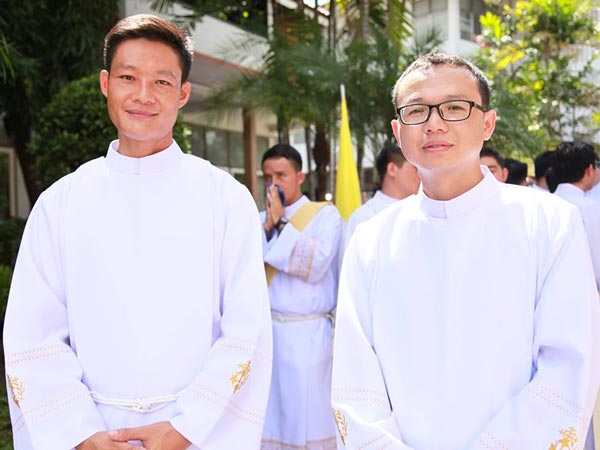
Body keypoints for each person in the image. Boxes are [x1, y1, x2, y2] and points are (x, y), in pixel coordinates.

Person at [3, 14, 272, 450]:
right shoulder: (62, 201)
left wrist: (184, 428)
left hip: (195, 434)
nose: (143, 95)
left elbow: (247, 329)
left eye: (162, 82)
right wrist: (82, 433)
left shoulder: (225, 199)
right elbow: (33, 333)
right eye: (128, 77)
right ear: (106, 83)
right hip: (89, 434)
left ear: (183, 93)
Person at [331, 53, 600, 450]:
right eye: (416, 110)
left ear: (487, 123)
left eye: (454, 107)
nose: (434, 123)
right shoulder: (371, 240)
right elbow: (356, 382)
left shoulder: (549, 222)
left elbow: (568, 366)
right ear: (397, 131)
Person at [260, 144, 342, 450]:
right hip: (269, 335)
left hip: (309, 334)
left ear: (300, 176)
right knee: (271, 417)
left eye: (281, 175)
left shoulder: (325, 216)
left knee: (309, 416)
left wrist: (281, 224)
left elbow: (316, 265)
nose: (273, 183)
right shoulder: (258, 220)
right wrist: (269, 227)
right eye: (267, 176)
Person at [343, 144, 419, 251]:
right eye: (415, 168)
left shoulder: (424, 213)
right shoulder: (364, 218)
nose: (421, 174)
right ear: (392, 169)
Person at [553, 140, 600, 289]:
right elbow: (596, 263)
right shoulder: (589, 208)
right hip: (581, 292)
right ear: (589, 170)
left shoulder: (541, 203)